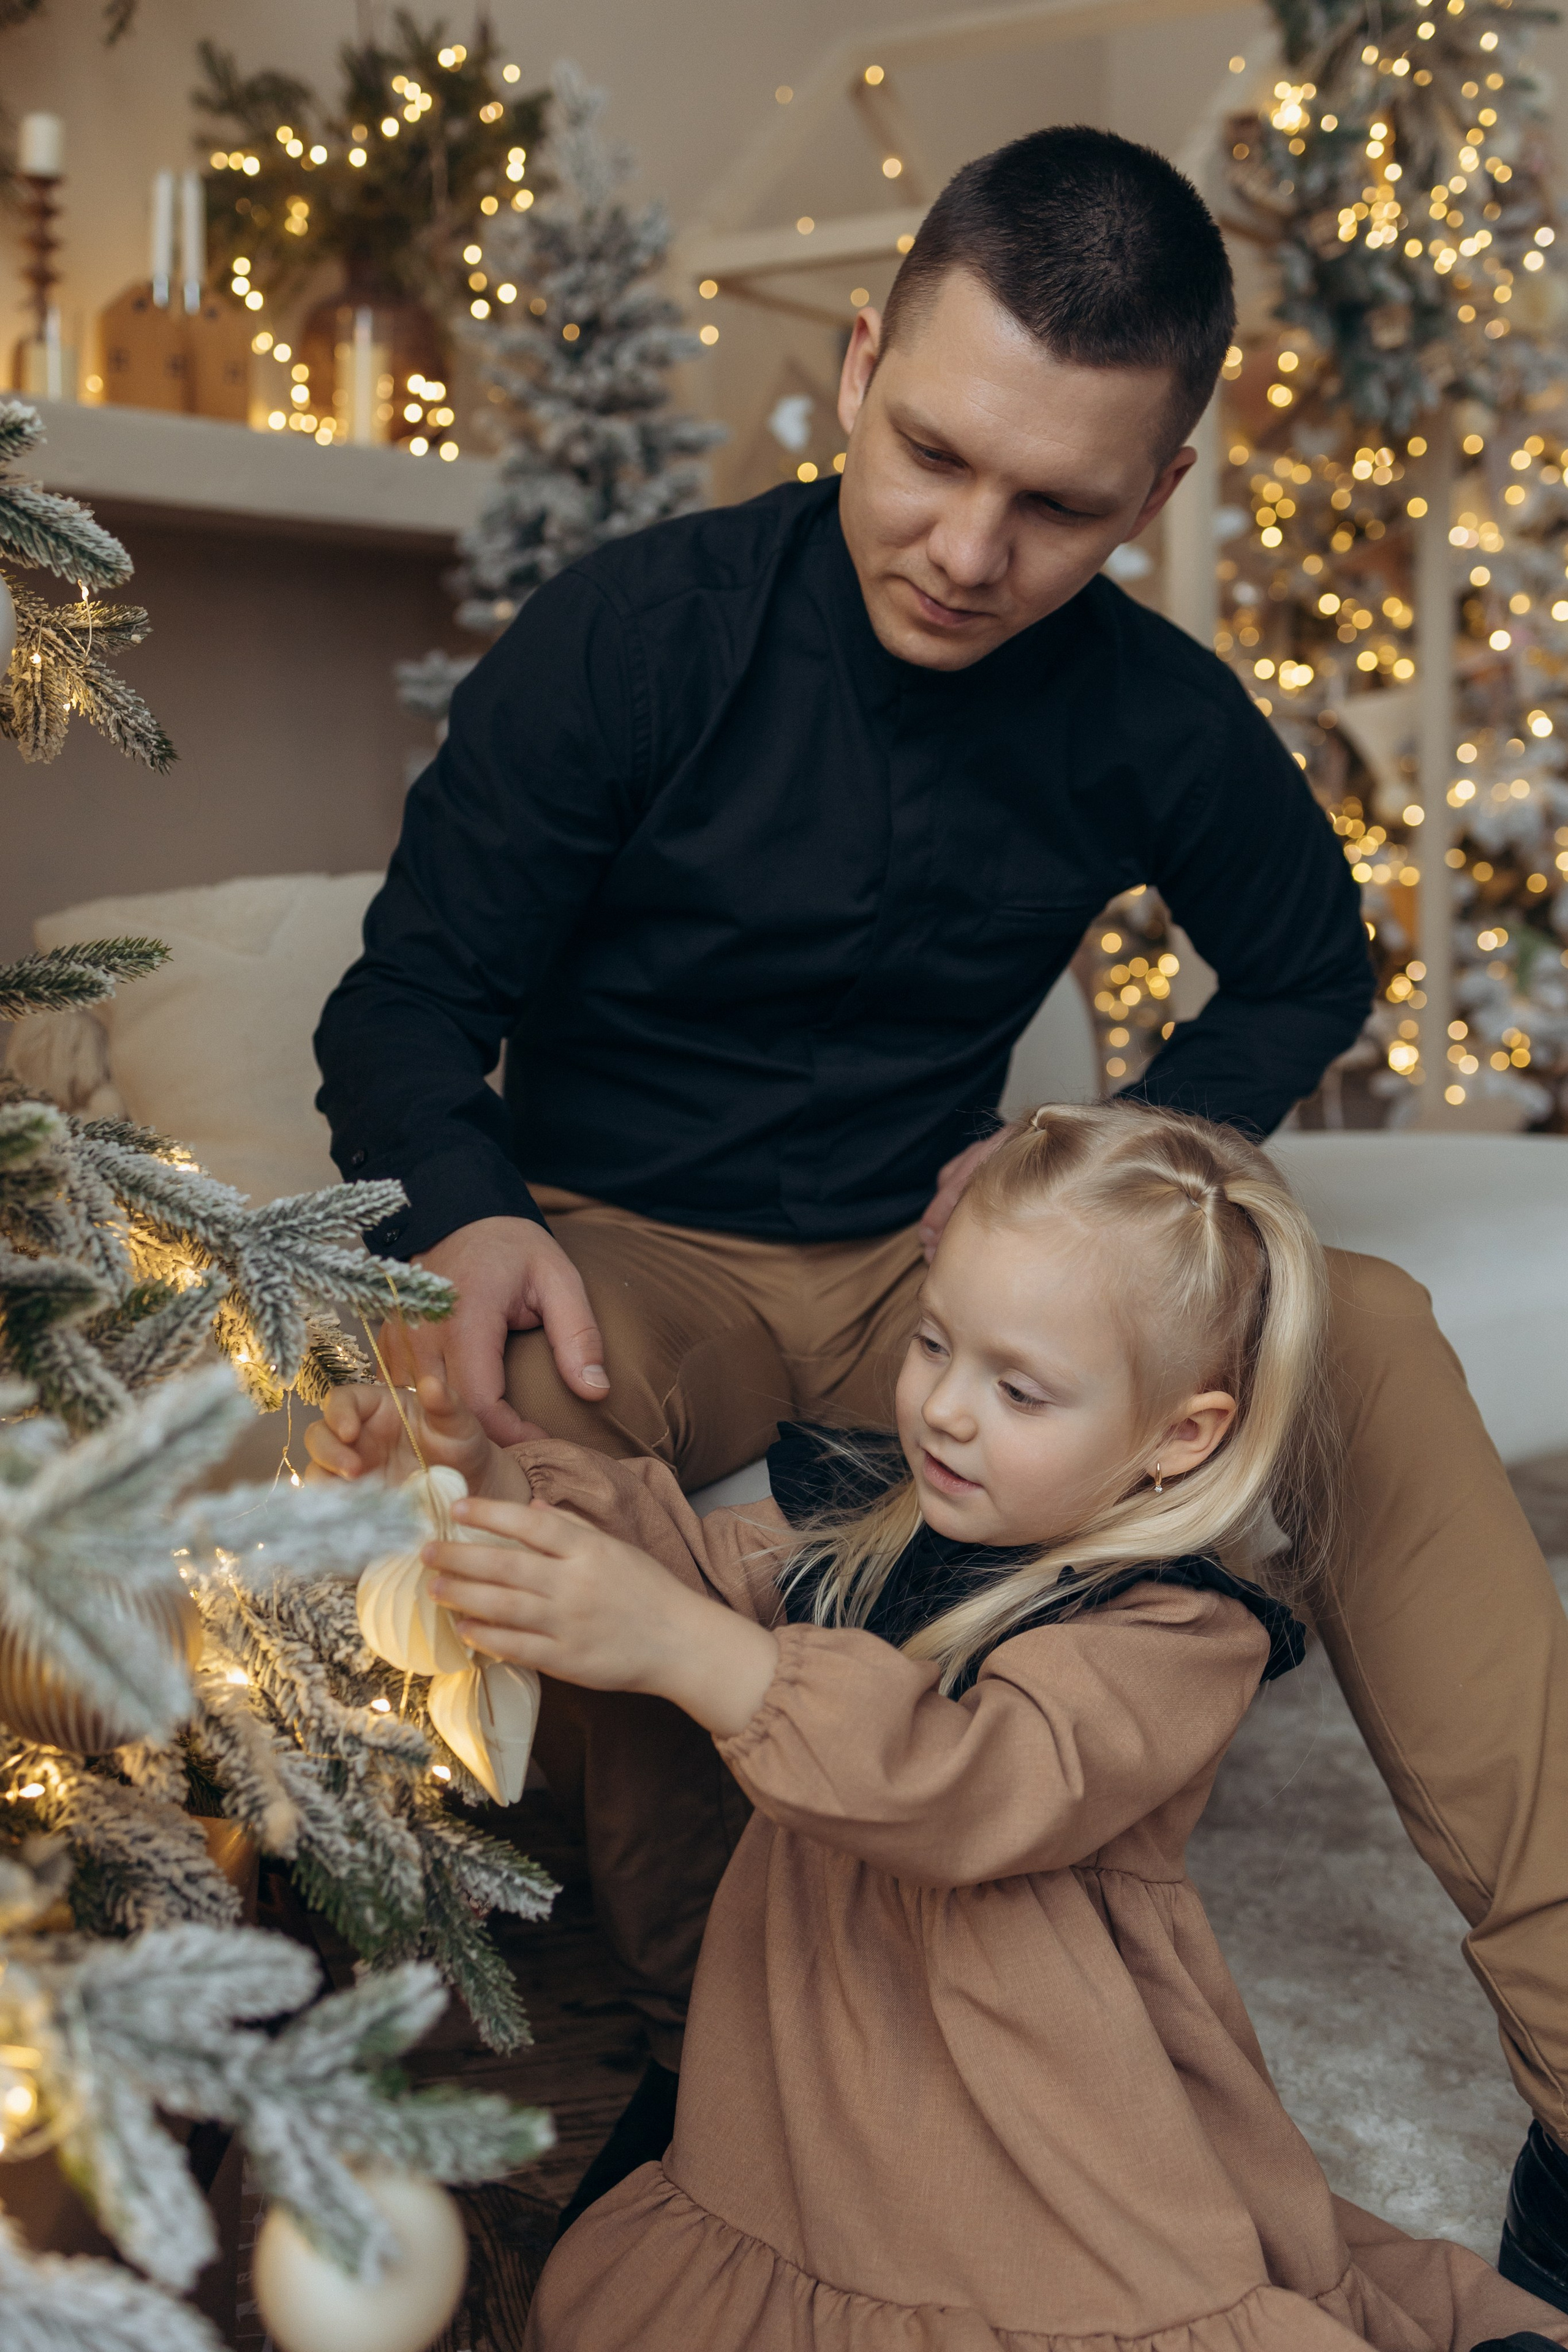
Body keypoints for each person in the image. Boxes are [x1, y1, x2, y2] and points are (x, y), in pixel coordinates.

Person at [315, 126, 1568, 2299]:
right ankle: (746, 2087)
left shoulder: (1159, 712)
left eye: (1060, 504)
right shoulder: (634, 634)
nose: (970, 546)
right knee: (501, 1387)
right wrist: (466, 1217)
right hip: (635, 1250)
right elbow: (411, 997)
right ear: (866, 356)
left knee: (1352, 1322)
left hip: (939, 1256)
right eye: (931, 453)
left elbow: (1307, 963)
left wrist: (1146, 1153)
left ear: (1158, 492)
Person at [307, 1104, 1567, 2352]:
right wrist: (476, 1480)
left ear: (1179, 1439)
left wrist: (696, 1653)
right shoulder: (887, 1526)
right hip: (815, 2098)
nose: (945, 1412)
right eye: (930, 1344)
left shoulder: (1176, 1629)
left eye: (1017, 1389)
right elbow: (675, 1557)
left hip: (1025, 2111)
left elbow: (969, 1789)